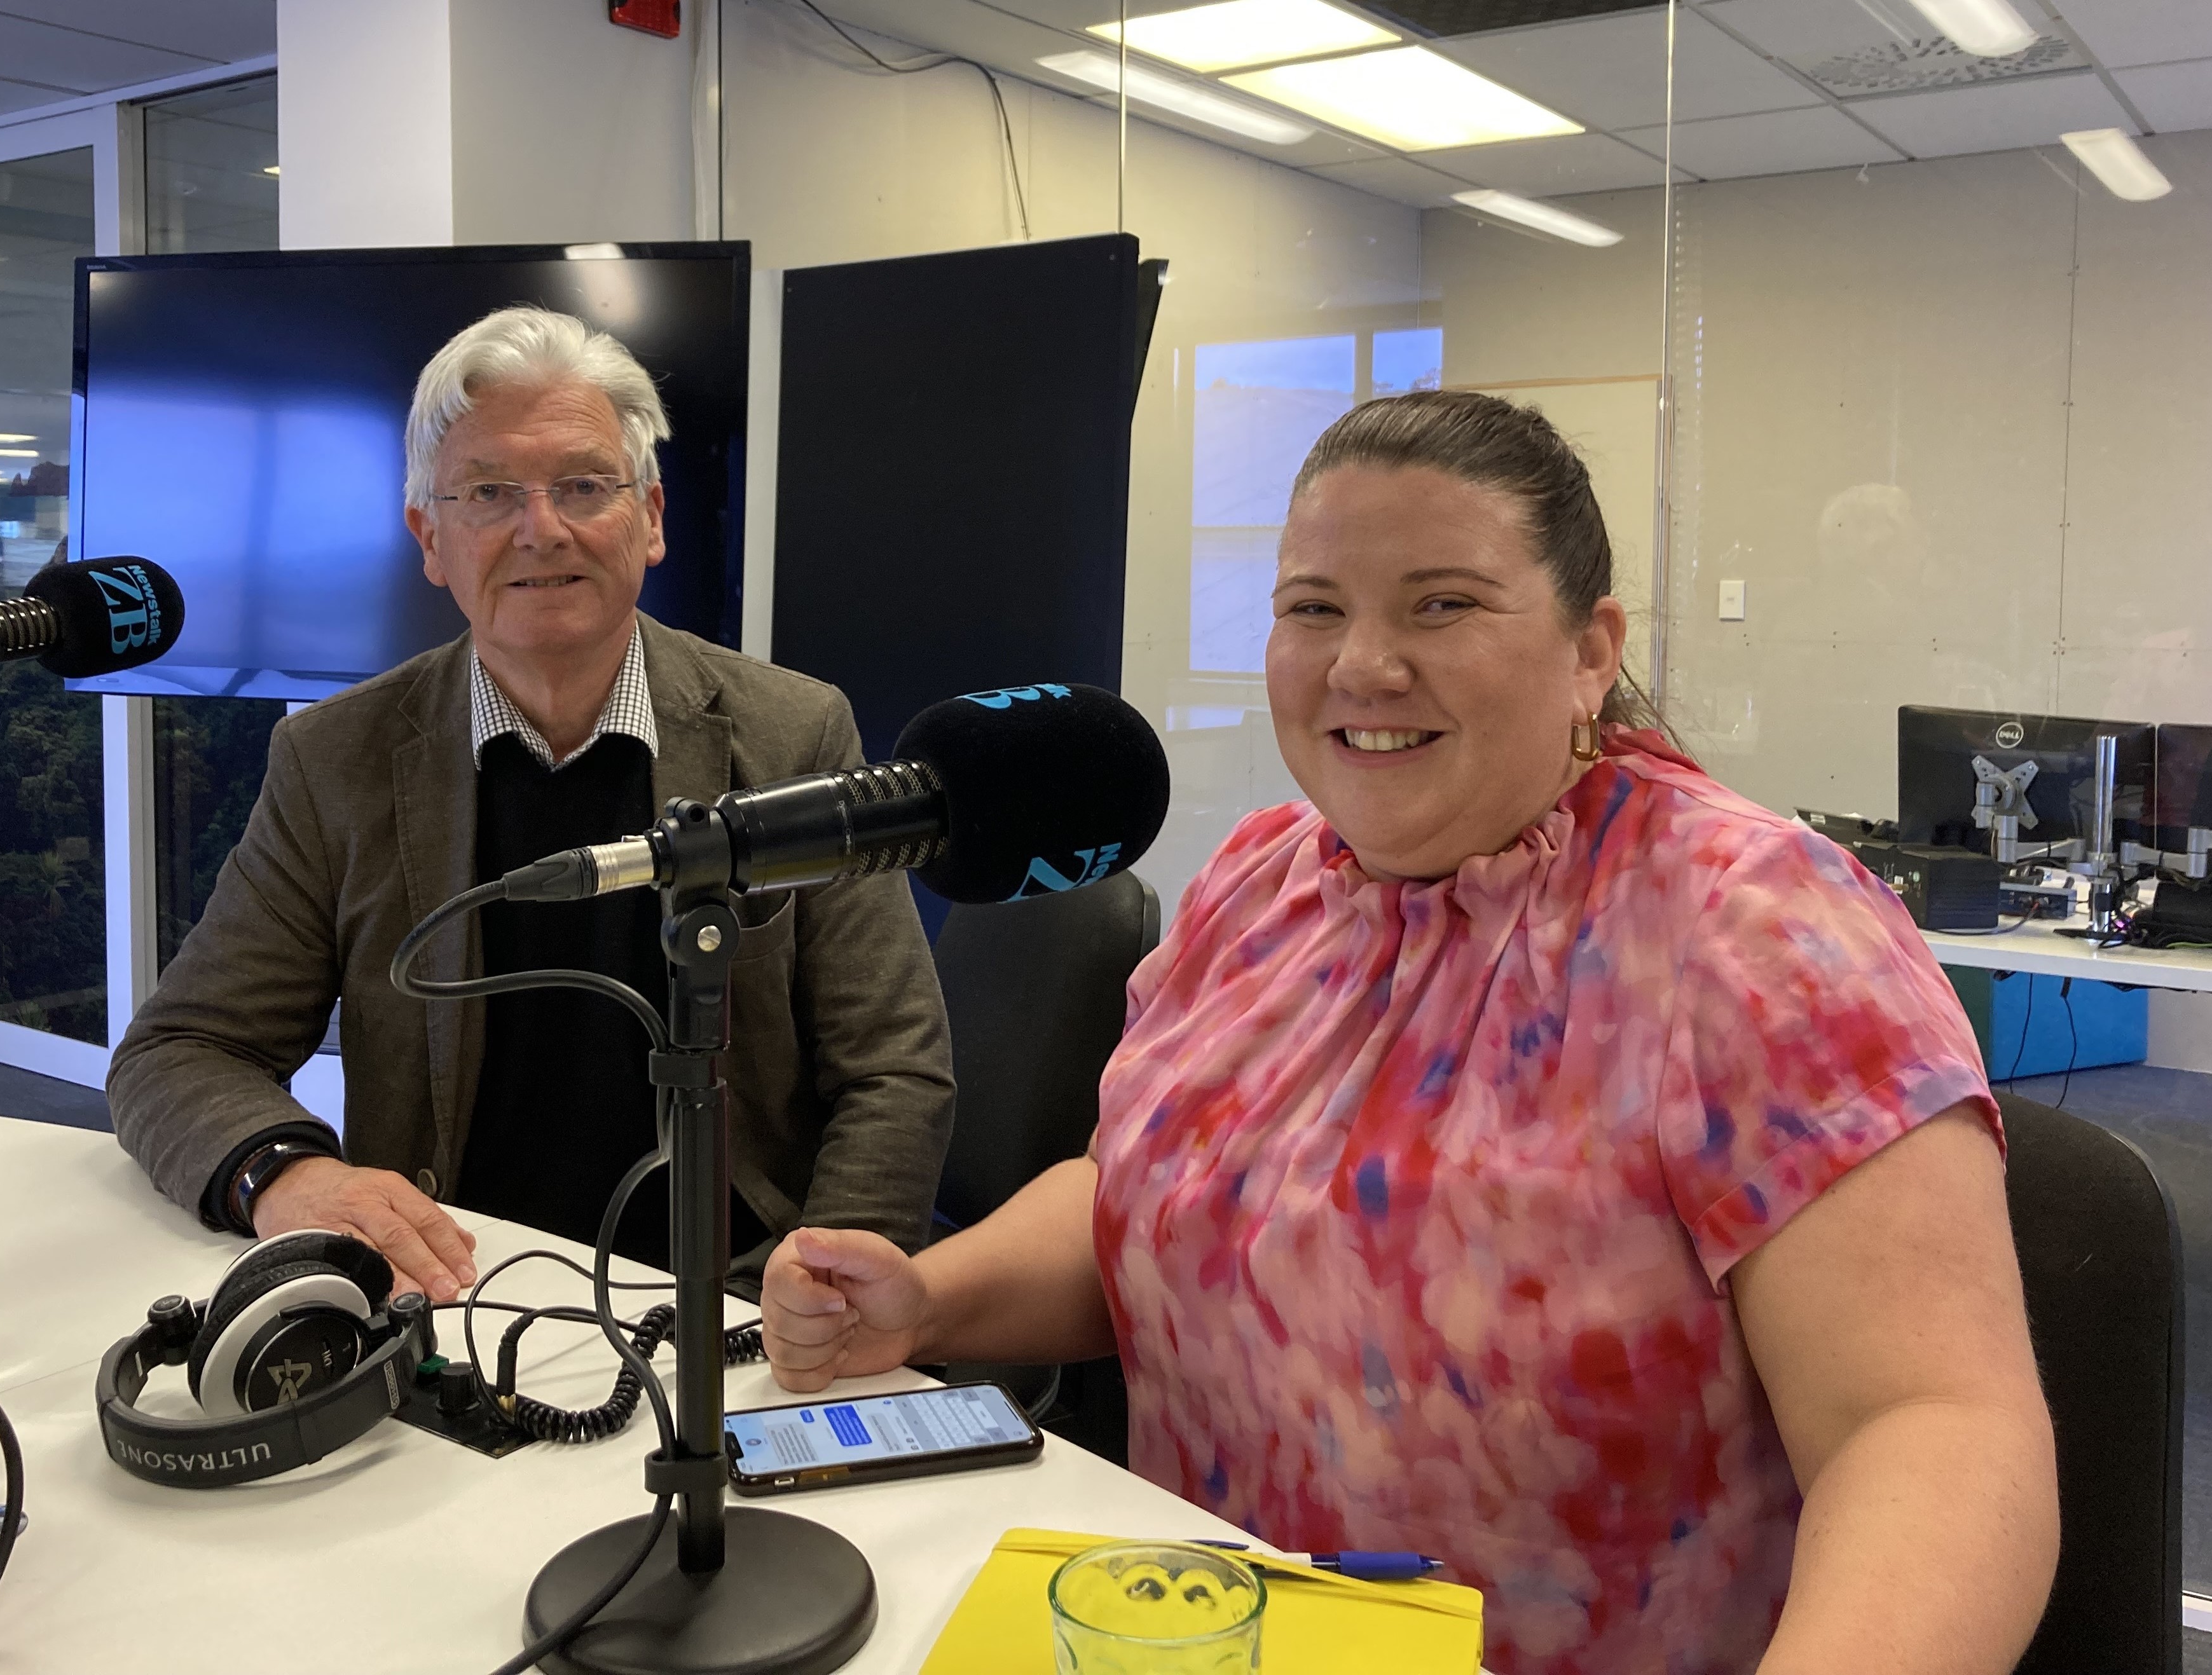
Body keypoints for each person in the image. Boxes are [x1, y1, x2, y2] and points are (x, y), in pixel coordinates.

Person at [761, 391, 2056, 1674]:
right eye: (1314, 609)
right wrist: (928, 1302)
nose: (1363, 666)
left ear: (1591, 650)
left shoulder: (1752, 924)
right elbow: (1138, 1206)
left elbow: (1930, 1429)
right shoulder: (1261, 882)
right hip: (1209, 1638)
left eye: (1443, 604)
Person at [111, 306, 954, 1302]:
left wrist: (825, 1282)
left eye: (584, 486)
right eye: (489, 492)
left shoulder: (792, 734)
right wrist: (286, 1176)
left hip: (727, 1298)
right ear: (431, 539)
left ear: (651, 519)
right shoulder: (334, 759)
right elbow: (179, 1050)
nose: (541, 528)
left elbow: (893, 1065)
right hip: (451, 1294)